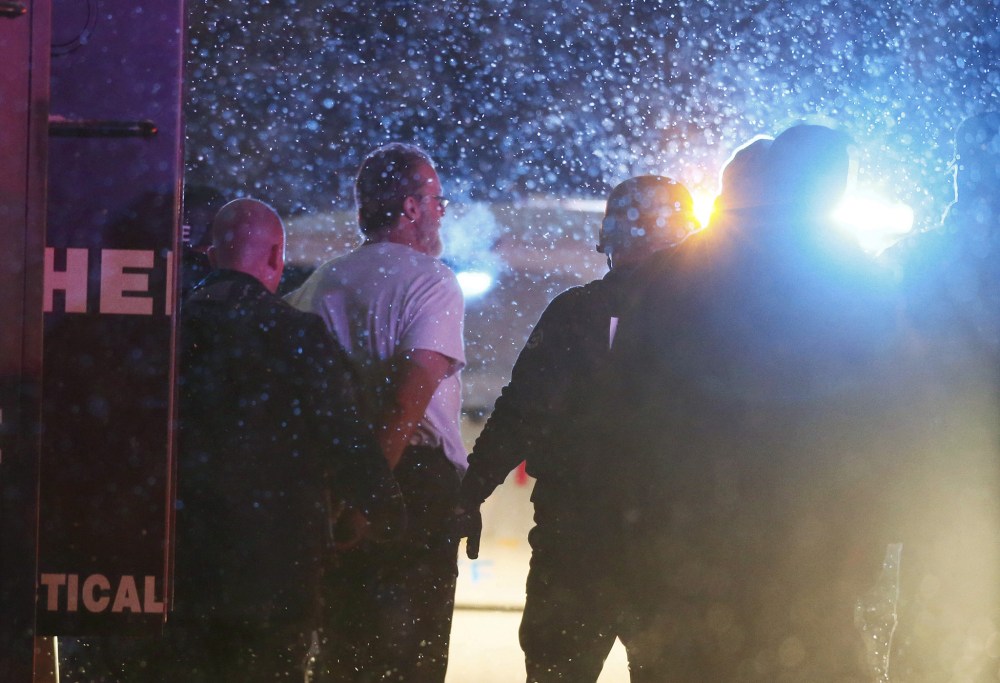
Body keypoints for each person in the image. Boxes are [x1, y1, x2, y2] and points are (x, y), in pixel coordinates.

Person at [600, 125, 901, 681]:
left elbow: (629, 400)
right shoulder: (851, 277)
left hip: (696, 531)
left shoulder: (677, 273)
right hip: (807, 531)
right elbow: (881, 409)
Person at [456, 176, 699, 682]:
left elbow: (522, 410)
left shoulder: (577, 311)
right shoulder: (715, 318)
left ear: (611, 240)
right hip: (675, 548)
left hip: (577, 542)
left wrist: (468, 494)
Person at [162, 198, 402, 682]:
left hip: (180, 569)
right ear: (276, 258)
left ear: (210, 255)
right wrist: (385, 509)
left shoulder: (166, 330)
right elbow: (344, 435)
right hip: (275, 572)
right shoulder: (297, 335)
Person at [285, 143, 466, 682]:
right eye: (436, 199)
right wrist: (372, 497)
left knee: (342, 651)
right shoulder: (431, 282)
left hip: (327, 479)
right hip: (406, 485)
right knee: (411, 658)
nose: (440, 211)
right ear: (410, 207)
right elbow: (407, 400)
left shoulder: (318, 285)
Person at [880, 112, 1000, 681]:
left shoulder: (912, 260)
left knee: (935, 638)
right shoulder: (915, 260)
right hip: (944, 482)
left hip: (936, 481)